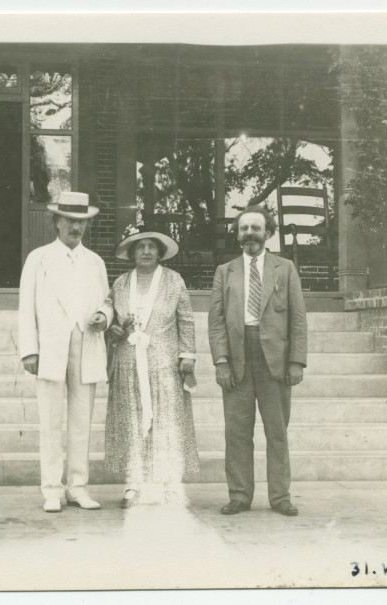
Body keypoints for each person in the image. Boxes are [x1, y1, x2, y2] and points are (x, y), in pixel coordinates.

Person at [208, 205, 307, 517]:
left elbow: (298, 319)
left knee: (277, 431)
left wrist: (296, 361)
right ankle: (239, 495)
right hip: (237, 359)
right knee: (237, 432)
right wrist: (221, 361)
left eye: (255, 228)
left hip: (274, 360)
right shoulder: (225, 271)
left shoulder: (285, 269)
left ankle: (280, 497)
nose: (249, 233)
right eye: (243, 229)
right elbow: (216, 321)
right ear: (237, 235)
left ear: (268, 232)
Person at [19, 191, 112, 513]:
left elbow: (106, 300)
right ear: (56, 222)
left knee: (81, 421)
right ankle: (52, 490)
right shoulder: (39, 258)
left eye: (82, 222)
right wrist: (30, 351)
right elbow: (25, 308)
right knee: (50, 422)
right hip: (51, 347)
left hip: (86, 344)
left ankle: (78, 487)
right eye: (70, 220)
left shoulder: (95, 261)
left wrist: (104, 315)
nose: (76, 227)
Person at [104, 226, 199, 508]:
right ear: (132, 253)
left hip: (164, 363)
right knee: (131, 423)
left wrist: (188, 354)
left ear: (159, 253)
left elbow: (187, 319)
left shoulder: (173, 280)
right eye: (140, 247)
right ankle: (133, 485)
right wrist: (114, 330)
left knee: (167, 424)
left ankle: (170, 486)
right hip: (129, 362)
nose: (146, 251)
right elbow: (111, 316)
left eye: (151, 247)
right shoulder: (121, 283)